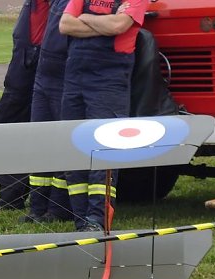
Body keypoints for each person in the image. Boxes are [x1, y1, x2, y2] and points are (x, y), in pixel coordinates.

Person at [59, 0, 146, 232]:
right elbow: (65, 25)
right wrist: (103, 24)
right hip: (75, 77)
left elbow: (118, 26)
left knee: (104, 150)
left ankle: (96, 219)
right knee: (74, 148)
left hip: (109, 80)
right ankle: (80, 220)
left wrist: (85, 18)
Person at [0, 0, 49, 212]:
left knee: (4, 125)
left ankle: (13, 195)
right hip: (24, 67)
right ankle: (14, 193)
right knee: (8, 127)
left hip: (32, 67)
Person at [21, 0, 72, 223]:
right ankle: (37, 207)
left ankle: (58, 208)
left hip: (64, 74)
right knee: (40, 142)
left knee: (62, 144)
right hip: (44, 73)